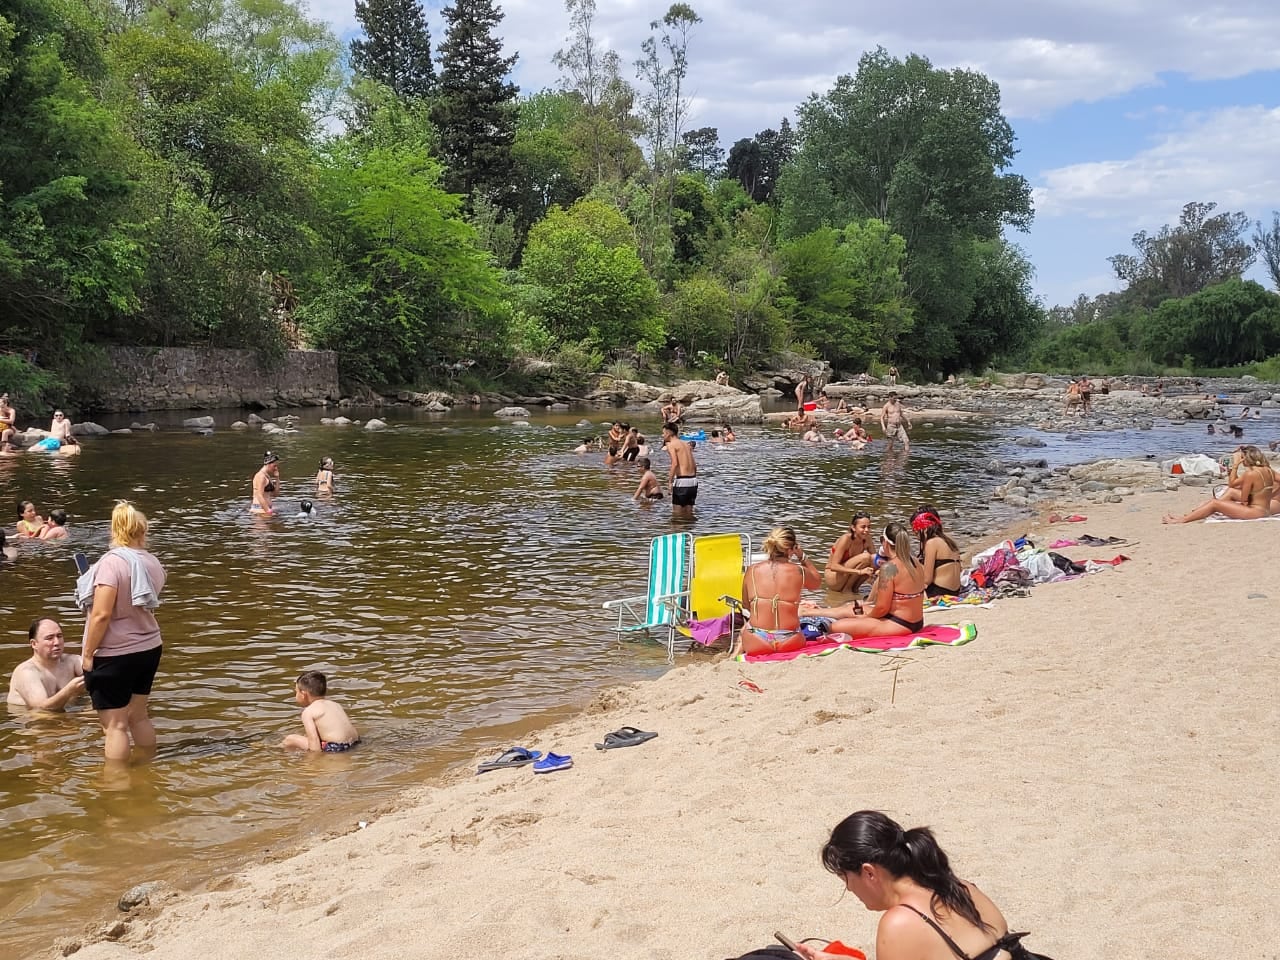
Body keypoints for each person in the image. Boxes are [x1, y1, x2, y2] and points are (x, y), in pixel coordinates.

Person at [795, 811, 1029, 960]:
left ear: (869, 873)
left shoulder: (900, 922)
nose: (848, 888)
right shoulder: (962, 888)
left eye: (845, 877)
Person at [79, 501, 166, 762]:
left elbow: (102, 614)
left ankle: (116, 786)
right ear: (143, 531)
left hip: (115, 652)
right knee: (139, 715)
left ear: (114, 530)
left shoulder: (112, 563)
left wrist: (86, 653)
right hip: (149, 646)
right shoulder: (152, 562)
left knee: (114, 725)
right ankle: (147, 768)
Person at [801, 522, 928, 637]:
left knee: (835, 627)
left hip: (898, 624)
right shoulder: (916, 563)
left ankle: (806, 615)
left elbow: (882, 608)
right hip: (914, 621)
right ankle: (807, 612)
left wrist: (866, 617)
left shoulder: (889, 568)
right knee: (850, 608)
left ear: (885, 542)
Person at [739, 527, 821, 655]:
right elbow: (816, 583)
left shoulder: (752, 570)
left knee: (745, 629)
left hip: (757, 640)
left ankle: (734, 655)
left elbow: (745, 604)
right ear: (792, 548)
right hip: (790, 640)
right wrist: (802, 557)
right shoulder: (799, 571)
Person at [1164, 445, 1274, 523]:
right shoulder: (1268, 470)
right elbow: (1235, 486)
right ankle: (1192, 514)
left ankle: (1183, 519)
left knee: (1214, 503)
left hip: (1254, 512)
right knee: (1218, 502)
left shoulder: (1250, 474)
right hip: (1264, 510)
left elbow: (1244, 499)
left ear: (1245, 458)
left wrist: (1235, 464)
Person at [6, 618, 84, 710]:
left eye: (59, 636)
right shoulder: (27, 672)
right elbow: (40, 709)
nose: (57, 642)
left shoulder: (73, 661)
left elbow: (100, 677)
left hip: (67, 715)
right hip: (37, 719)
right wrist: (69, 690)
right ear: (34, 644)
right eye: (49, 638)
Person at [283, 671, 360, 752]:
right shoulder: (335, 704)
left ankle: (276, 748)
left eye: (296, 692)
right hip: (355, 743)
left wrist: (313, 761)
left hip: (337, 747)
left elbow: (314, 743)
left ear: (303, 694)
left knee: (290, 739)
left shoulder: (308, 712)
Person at [913, 506, 962, 598]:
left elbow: (927, 579)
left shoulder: (931, 543)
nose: (915, 534)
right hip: (955, 591)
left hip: (938, 592)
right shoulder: (949, 540)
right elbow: (960, 570)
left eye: (915, 531)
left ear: (924, 528)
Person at [825, 512, 875, 594]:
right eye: (863, 527)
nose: (866, 530)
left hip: (846, 575)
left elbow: (875, 559)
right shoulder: (845, 539)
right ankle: (847, 590)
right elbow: (834, 566)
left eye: (869, 527)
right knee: (866, 557)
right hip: (833, 577)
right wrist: (859, 572)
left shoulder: (867, 539)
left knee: (874, 559)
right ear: (853, 528)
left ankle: (854, 589)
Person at [661, 422, 698, 519]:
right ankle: (690, 532)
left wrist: (669, 482)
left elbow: (674, 463)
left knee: (676, 515)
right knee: (689, 513)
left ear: (669, 433)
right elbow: (694, 465)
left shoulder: (671, 445)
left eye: (663, 433)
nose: (662, 435)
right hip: (693, 480)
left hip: (682, 480)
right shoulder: (686, 444)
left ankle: (678, 531)